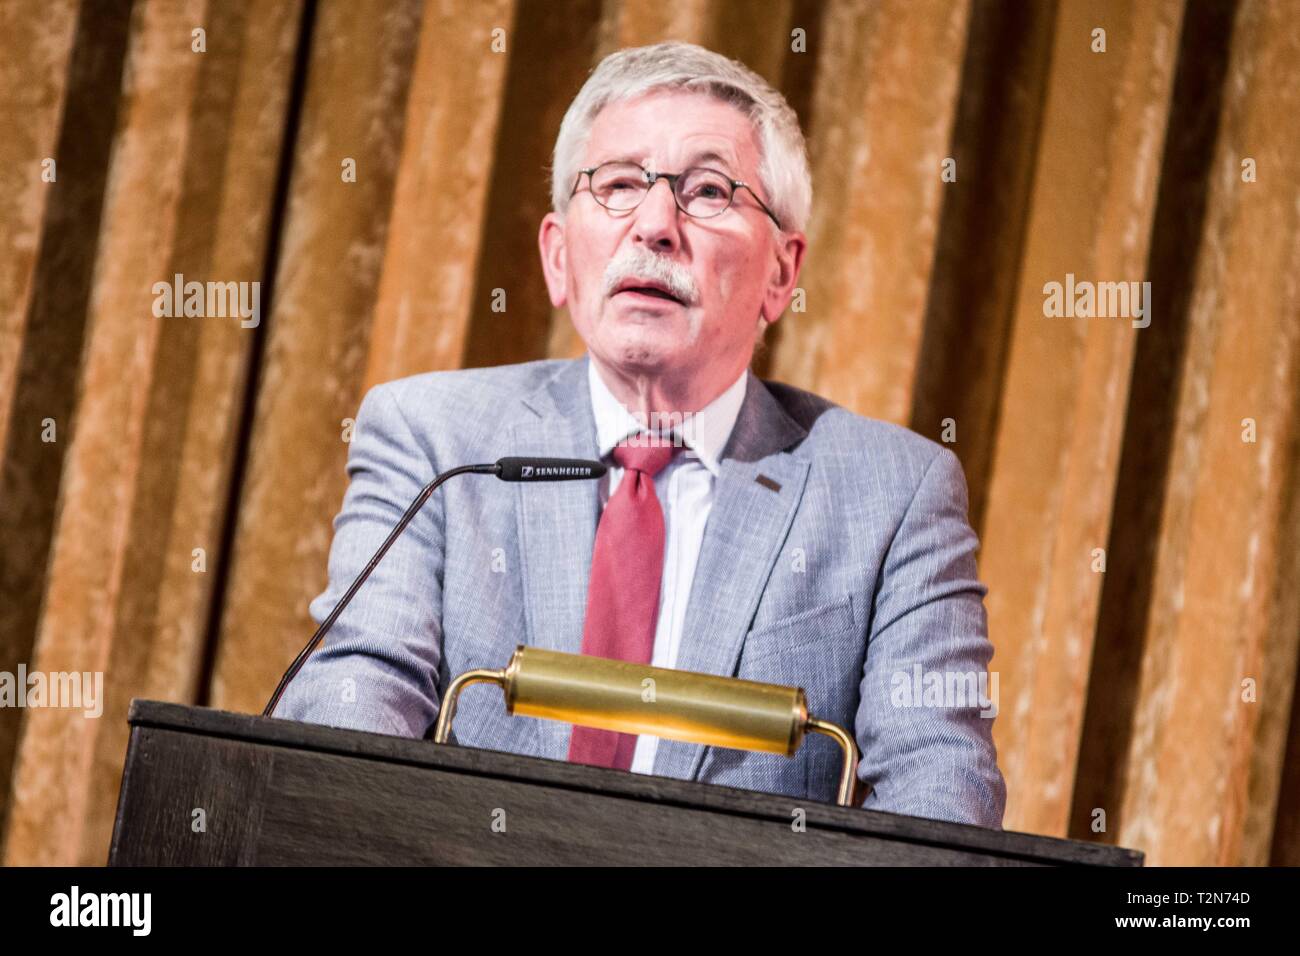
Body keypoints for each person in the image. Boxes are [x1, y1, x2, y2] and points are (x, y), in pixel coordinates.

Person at [272, 40, 1007, 829]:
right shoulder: (435, 442)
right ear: (558, 257)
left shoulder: (892, 494)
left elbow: (942, 792)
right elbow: (350, 713)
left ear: (781, 275)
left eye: (710, 192)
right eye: (620, 184)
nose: (656, 225)